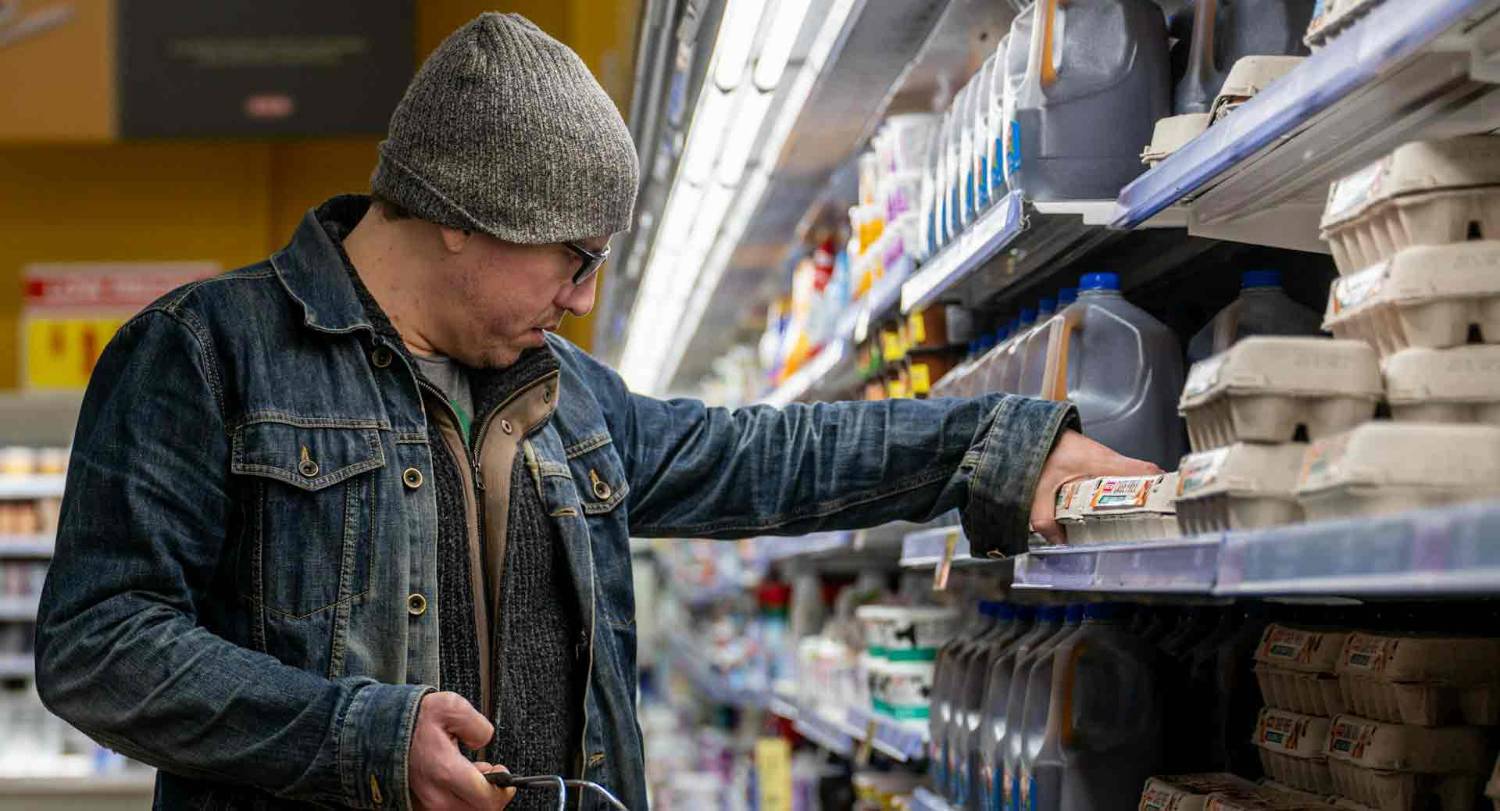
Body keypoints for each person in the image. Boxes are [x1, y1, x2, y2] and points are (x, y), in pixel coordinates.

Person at [34, 12, 1158, 811]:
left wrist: (998, 443)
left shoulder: (564, 395)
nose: (580, 298)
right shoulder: (205, 353)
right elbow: (100, 644)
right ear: (459, 216)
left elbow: (763, 455)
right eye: (571, 259)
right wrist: (360, 737)